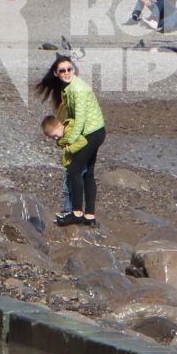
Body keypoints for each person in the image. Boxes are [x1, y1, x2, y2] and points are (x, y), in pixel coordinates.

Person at [35, 55, 103, 228]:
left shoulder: (78, 89)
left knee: (74, 171)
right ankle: (89, 216)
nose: (66, 73)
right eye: (62, 70)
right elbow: (70, 116)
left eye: (69, 69)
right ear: (56, 73)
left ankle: (77, 213)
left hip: (92, 133)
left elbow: (79, 119)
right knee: (88, 174)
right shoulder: (68, 88)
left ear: (73, 69)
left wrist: (70, 143)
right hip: (94, 132)